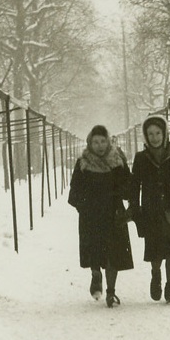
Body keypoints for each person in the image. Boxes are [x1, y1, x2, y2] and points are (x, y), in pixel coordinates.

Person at [67, 124, 134, 308]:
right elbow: (73, 194)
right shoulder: (83, 164)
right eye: (95, 142)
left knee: (113, 255)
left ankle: (111, 292)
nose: (100, 145)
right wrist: (85, 206)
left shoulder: (117, 161)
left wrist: (124, 168)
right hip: (92, 216)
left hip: (114, 214)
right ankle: (96, 274)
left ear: (108, 141)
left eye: (103, 141)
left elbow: (129, 188)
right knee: (95, 251)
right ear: (89, 143)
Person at [130, 114, 170, 303]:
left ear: (164, 133)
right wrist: (134, 207)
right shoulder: (141, 158)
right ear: (146, 136)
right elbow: (135, 185)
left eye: (158, 133)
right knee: (156, 250)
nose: (155, 137)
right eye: (150, 134)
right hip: (152, 211)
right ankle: (156, 275)